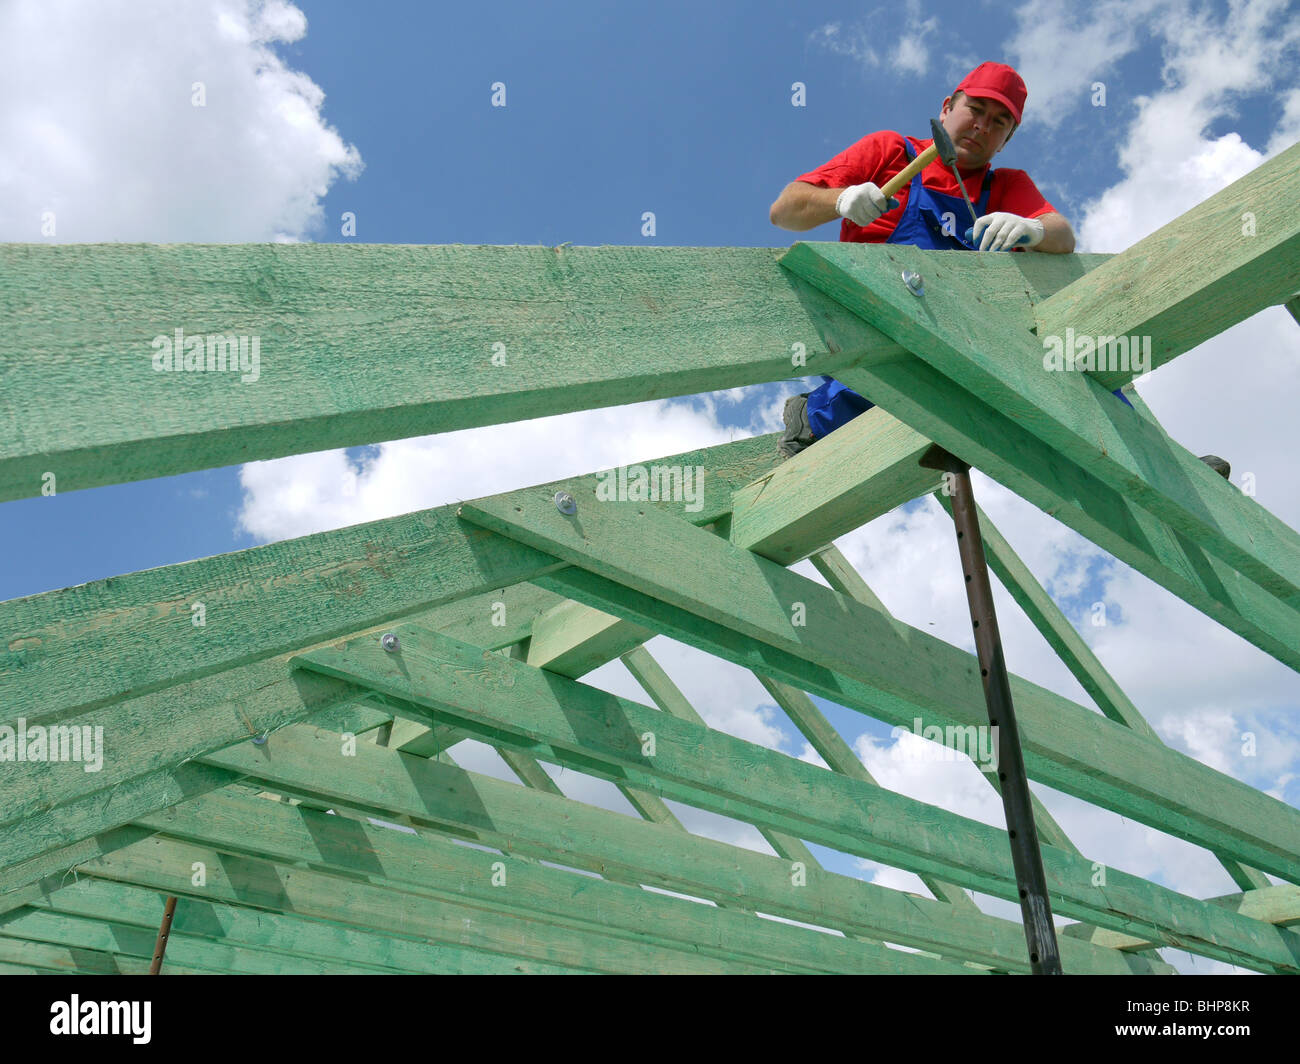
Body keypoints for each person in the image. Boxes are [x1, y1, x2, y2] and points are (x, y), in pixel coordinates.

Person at [768, 62, 1232, 478]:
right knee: (893, 373)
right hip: (878, 322)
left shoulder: (1005, 186)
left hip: (968, 332)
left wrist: (1031, 230)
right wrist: (841, 200)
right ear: (948, 106)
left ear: (1008, 138)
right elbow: (786, 210)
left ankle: (1164, 469)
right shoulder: (891, 151)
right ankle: (815, 417)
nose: (983, 126)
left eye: (1000, 122)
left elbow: (1062, 236)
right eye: (976, 110)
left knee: (1061, 360)